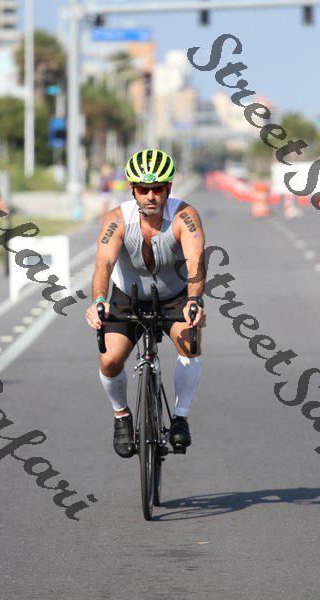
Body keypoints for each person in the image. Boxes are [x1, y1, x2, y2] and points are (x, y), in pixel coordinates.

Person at [86, 149, 206, 458]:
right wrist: (98, 300)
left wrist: (194, 301)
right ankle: (121, 415)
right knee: (109, 359)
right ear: (132, 190)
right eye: (143, 189)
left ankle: (180, 417)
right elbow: (103, 264)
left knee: (190, 342)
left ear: (168, 188)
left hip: (174, 296)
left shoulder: (184, 216)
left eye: (158, 189)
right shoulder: (117, 219)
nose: (150, 196)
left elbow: (195, 263)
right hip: (128, 298)